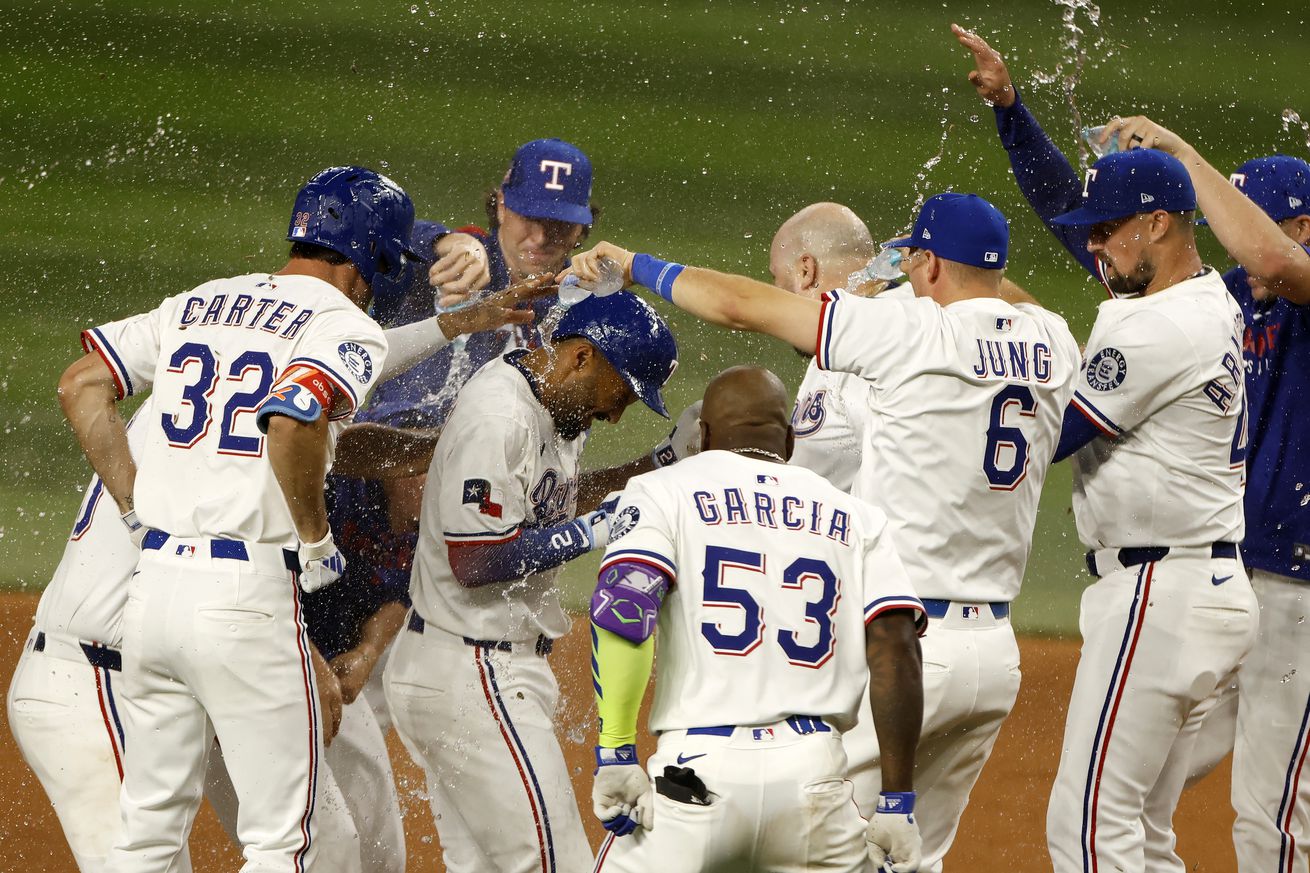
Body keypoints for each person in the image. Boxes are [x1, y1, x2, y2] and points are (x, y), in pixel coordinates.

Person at [567, 190, 1081, 872]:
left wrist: (639, 265)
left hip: (905, 649)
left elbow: (738, 305)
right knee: (907, 858)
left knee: (800, 845)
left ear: (925, 263)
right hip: (993, 657)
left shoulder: (898, 332)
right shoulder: (1052, 340)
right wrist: (932, 263)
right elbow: (1002, 293)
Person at [9, 269, 547, 873]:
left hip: (173, 648)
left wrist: (453, 324)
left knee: (323, 848)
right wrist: (309, 551)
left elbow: (332, 400)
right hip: (95, 677)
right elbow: (302, 417)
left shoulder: (202, 388)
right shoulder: (247, 430)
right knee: (282, 846)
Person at [955, 26, 1309, 873]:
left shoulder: (1217, 305)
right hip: (1222, 581)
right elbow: (1083, 223)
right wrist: (1013, 115)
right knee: (1143, 816)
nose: (1244, 244)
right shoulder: (1212, 300)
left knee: (1226, 820)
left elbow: (1051, 432)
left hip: (1252, 589)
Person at [384, 290, 684, 873]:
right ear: (582, 358)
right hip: (472, 674)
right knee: (557, 864)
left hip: (471, 668)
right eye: (620, 394)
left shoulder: (555, 404)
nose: (617, 414)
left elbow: (548, 507)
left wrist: (657, 464)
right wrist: (592, 533)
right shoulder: (499, 417)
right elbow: (475, 560)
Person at [587, 365, 926, 872]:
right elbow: (897, 648)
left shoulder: (661, 490)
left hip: (697, 776)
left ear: (702, 436)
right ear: (788, 440)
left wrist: (615, 751)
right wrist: (897, 803)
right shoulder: (857, 516)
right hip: (815, 783)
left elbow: (625, 612)